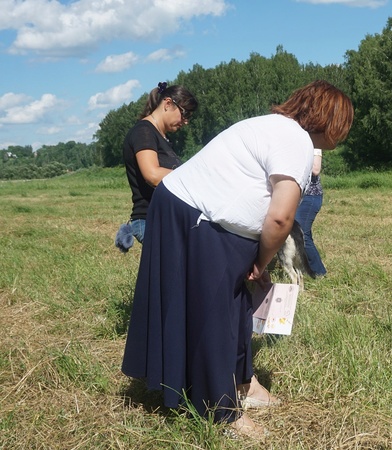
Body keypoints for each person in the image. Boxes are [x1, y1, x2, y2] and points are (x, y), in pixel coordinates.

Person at [121, 80, 354, 438]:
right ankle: (222, 411)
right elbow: (280, 218)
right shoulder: (295, 141)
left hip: (208, 219)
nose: (344, 134)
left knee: (234, 306)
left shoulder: (277, 128)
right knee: (215, 314)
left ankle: (244, 384)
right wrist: (261, 262)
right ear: (330, 120)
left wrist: (256, 260)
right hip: (193, 215)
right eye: (344, 124)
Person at [120, 82, 197, 245]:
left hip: (165, 218)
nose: (186, 121)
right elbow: (152, 175)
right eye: (184, 114)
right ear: (168, 103)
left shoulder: (161, 137)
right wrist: (196, 175)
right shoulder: (144, 132)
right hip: (150, 220)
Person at [294, 148, 327, 277]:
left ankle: (318, 272)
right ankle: (305, 267)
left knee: (302, 234)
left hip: (311, 197)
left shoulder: (314, 147)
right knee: (304, 232)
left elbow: (315, 169)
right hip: (299, 196)